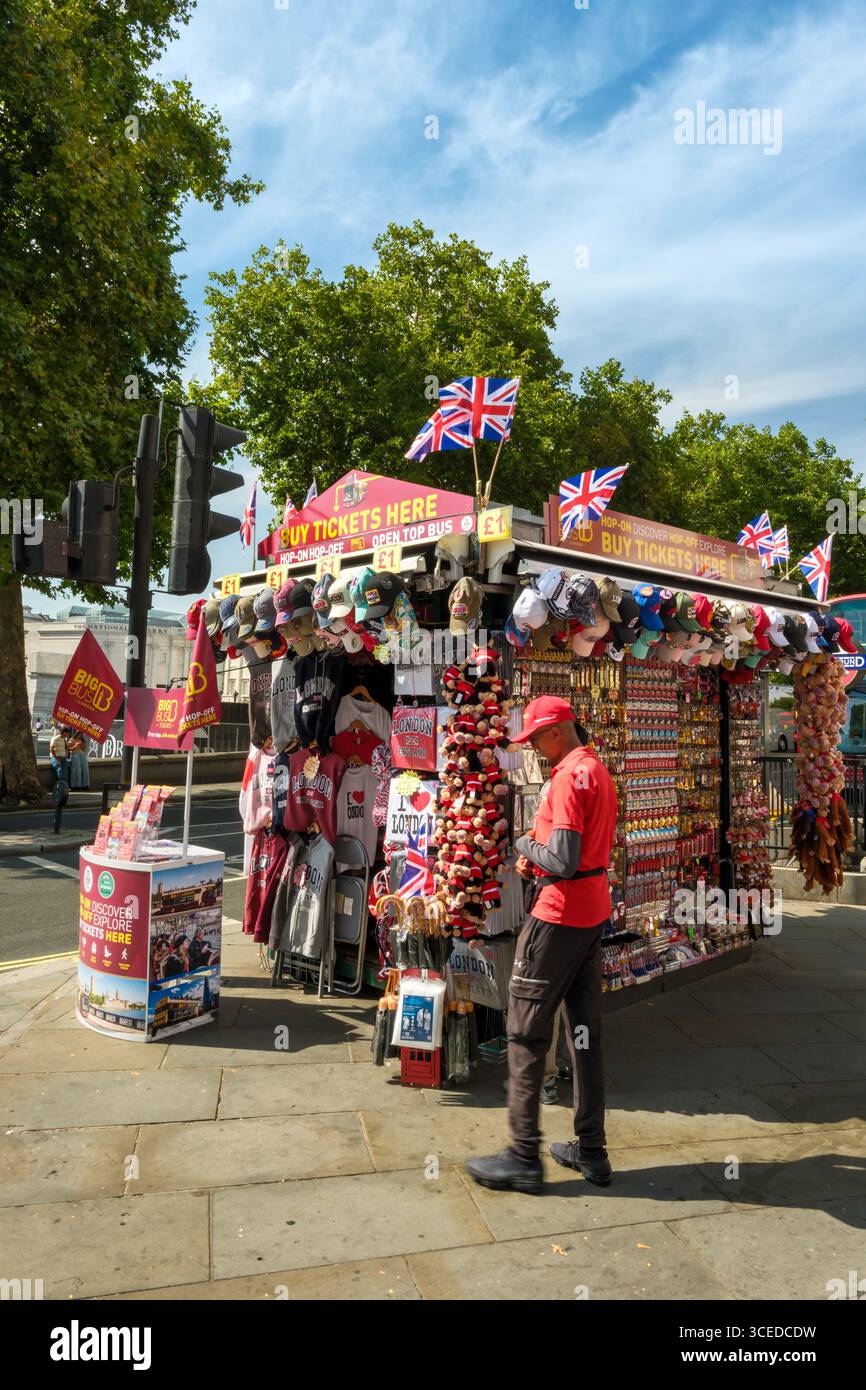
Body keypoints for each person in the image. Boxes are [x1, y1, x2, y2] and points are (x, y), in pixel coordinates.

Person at [465, 696, 619, 1195]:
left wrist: (525, 844)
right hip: (592, 911)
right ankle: (591, 1150)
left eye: (533, 739)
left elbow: (564, 858)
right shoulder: (597, 770)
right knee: (584, 1035)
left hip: (557, 915)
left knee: (526, 1032)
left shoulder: (567, 778)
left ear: (556, 732)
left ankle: (522, 1155)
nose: (530, 748)